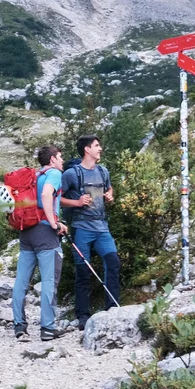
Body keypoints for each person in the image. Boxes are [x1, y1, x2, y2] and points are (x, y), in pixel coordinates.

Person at [61, 134, 120, 330]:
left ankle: (113, 308)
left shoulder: (103, 171)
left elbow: (109, 189)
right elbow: (55, 198)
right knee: (83, 272)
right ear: (87, 149)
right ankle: (83, 316)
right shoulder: (72, 174)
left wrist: (110, 195)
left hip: (102, 227)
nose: (100, 149)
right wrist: (76, 202)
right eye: (96, 146)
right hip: (81, 228)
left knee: (113, 262)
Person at [11, 145, 67, 342]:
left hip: (26, 231)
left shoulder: (34, 176)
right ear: (52, 159)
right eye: (60, 157)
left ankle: (19, 326)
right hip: (44, 232)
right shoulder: (53, 174)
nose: (62, 161)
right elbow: (46, 196)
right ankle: (48, 328)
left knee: (21, 281)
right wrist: (54, 223)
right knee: (49, 281)